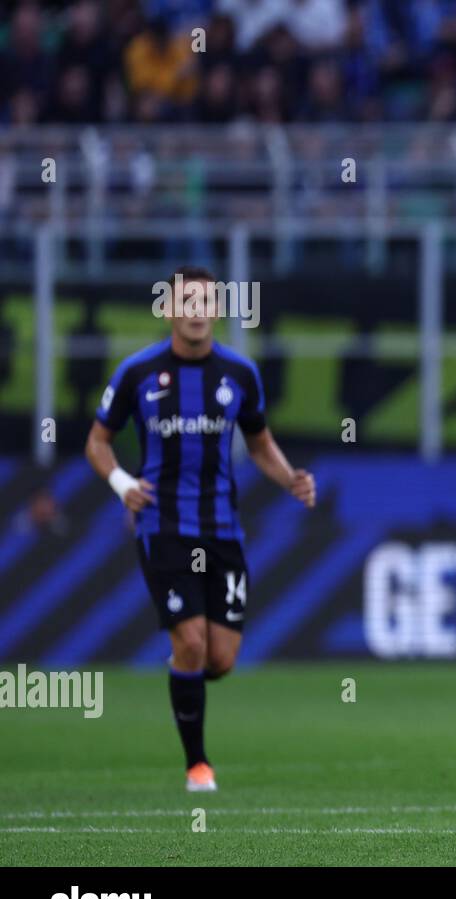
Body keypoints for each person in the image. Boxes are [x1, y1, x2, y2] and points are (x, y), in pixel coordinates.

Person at [85, 266, 316, 792]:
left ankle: (182, 673)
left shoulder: (240, 374)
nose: (195, 310)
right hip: (162, 526)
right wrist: (123, 484)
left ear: (217, 310)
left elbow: (258, 442)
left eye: (205, 300)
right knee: (190, 642)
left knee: (220, 659)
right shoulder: (137, 373)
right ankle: (198, 766)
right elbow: (97, 442)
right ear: (168, 308)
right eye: (185, 300)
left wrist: (289, 481)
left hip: (222, 529)